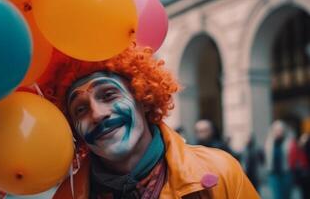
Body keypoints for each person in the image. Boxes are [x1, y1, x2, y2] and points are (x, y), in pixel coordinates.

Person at [39, 45, 259, 199]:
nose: (97, 114)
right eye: (80, 109)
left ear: (143, 99)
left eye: (108, 95)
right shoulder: (66, 196)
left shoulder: (220, 172)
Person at [264, 120, 294, 199]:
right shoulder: (269, 142)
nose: (279, 132)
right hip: (273, 174)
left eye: (281, 130)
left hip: (286, 173)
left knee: (286, 196)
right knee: (277, 196)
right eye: (276, 130)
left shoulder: (288, 142)